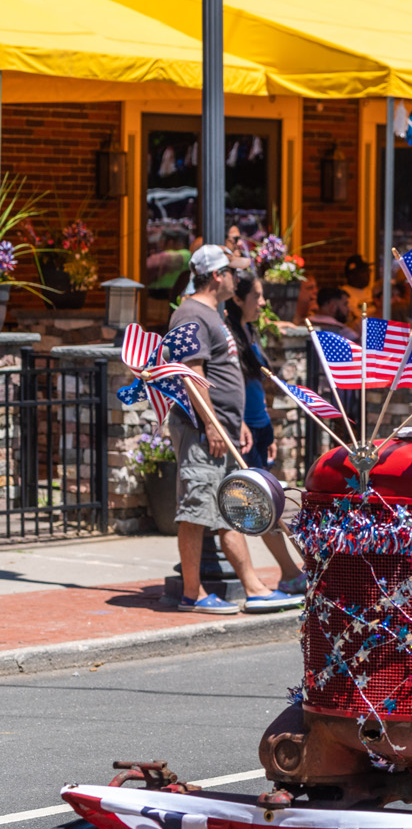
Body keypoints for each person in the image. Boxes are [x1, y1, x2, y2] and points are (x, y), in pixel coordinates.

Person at [168, 245, 301, 614]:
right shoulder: (191, 314)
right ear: (216, 276)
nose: (236, 278)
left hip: (221, 428)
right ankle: (191, 595)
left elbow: (223, 376)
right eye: (231, 271)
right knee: (195, 510)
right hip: (200, 429)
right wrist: (211, 424)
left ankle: (254, 587)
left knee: (228, 509)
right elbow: (193, 376)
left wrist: (234, 420)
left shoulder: (213, 314)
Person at [225, 267, 306, 596]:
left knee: (270, 505)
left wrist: (269, 431)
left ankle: (291, 572)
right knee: (259, 506)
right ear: (238, 298)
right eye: (256, 296)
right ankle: (288, 573)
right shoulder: (228, 337)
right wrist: (240, 423)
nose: (262, 302)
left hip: (259, 431)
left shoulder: (248, 332)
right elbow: (229, 389)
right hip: (242, 434)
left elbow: (259, 389)